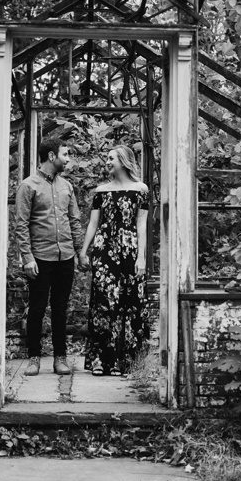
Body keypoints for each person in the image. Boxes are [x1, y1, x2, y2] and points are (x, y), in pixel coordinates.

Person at [11, 135, 83, 376]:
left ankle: (60, 358)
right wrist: (27, 258)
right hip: (40, 258)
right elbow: (21, 225)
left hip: (65, 257)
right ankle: (33, 358)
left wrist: (80, 251)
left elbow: (74, 220)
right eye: (65, 154)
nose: (68, 159)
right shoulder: (28, 186)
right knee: (38, 308)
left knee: (61, 308)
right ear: (51, 156)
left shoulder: (67, 186)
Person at [81, 143, 154, 377]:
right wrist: (84, 251)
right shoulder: (101, 191)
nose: (107, 162)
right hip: (104, 250)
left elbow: (141, 224)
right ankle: (101, 360)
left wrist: (142, 257)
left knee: (129, 301)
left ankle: (123, 361)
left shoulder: (141, 189)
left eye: (111, 158)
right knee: (104, 301)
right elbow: (93, 223)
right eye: (107, 158)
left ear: (123, 160)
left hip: (131, 250)